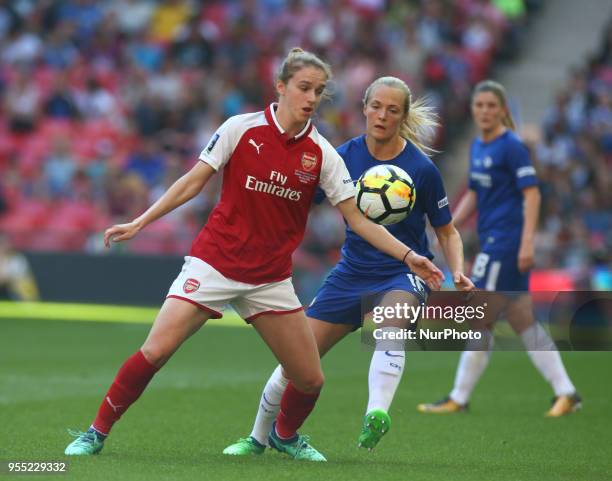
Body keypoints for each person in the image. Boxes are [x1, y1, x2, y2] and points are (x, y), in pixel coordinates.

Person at [64, 49, 444, 461]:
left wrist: (409, 256)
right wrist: (140, 222)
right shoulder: (240, 129)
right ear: (280, 87)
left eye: (318, 91)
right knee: (155, 351)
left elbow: (360, 220)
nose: (311, 98)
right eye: (303, 88)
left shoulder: (323, 155)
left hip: (269, 278)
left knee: (310, 379)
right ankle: (95, 432)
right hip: (214, 263)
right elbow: (194, 182)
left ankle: (285, 435)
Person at [222, 76, 473, 456]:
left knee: (392, 323)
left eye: (392, 110)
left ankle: (377, 413)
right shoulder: (340, 157)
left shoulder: (422, 170)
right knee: (296, 362)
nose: (382, 116)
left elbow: (448, 232)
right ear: (364, 108)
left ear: (403, 117)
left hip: (404, 272)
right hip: (350, 273)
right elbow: (298, 200)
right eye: (376, 106)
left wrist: (457, 270)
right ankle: (259, 438)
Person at [417, 80, 581, 417]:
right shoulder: (479, 146)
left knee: (482, 318)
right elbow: (475, 193)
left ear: (503, 110)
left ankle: (458, 397)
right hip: (494, 239)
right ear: (474, 110)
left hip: (504, 243)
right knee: (522, 319)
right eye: (480, 106)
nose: (485, 111)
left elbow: (532, 194)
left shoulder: (511, 147)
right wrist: (449, 225)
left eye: (492, 105)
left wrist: (526, 243)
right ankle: (566, 393)